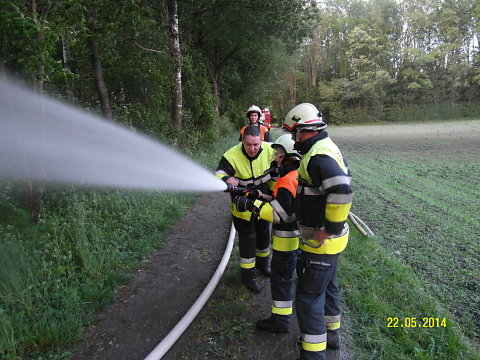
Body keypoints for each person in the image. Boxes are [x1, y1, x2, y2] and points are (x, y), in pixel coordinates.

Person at [283, 103, 353, 360]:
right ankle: (332, 334)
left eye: (295, 133)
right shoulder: (326, 147)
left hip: (320, 244)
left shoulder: (317, 157)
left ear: (305, 129)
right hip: (334, 243)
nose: (293, 139)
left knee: (309, 297)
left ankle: (312, 355)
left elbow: (342, 190)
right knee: (328, 286)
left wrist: (328, 229)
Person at [234, 134, 301, 333]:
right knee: (284, 278)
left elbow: (280, 214)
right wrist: (261, 195)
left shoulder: (287, 181)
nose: (276, 159)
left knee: (281, 281)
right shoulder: (294, 177)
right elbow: (283, 202)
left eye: (280, 155)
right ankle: (283, 319)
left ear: (292, 158)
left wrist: (251, 204)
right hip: (295, 239)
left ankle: (280, 322)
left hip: (286, 242)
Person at [215, 125, 275, 293]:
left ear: (262, 141)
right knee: (248, 240)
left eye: (256, 145)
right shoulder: (231, 155)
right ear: (243, 140)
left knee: (264, 235)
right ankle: (248, 276)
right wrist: (226, 178)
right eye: (248, 144)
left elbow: (286, 161)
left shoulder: (271, 150)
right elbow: (219, 173)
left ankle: (264, 266)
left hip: (263, 205)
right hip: (243, 208)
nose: (252, 149)